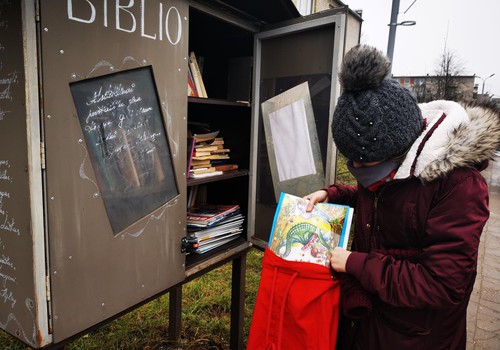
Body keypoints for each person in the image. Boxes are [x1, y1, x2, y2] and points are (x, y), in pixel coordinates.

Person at [304, 44, 500, 349]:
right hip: (368, 326)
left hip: (417, 338)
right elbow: (379, 199)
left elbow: (443, 283)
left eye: (366, 164)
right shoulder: (392, 169)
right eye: (350, 161)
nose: (357, 171)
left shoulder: (460, 186)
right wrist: (333, 194)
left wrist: (356, 264)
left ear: (401, 149)